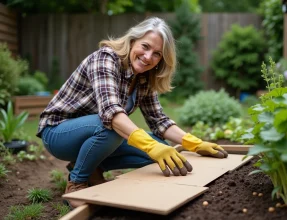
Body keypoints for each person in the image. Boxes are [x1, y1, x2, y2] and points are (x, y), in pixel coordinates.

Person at [37, 17, 228, 209]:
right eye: (145, 46)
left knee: (162, 150)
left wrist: (193, 143)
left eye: (157, 54)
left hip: (96, 132)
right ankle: (77, 182)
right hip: (58, 133)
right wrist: (148, 144)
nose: (148, 57)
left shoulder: (144, 78)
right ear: (132, 41)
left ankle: (92, 166)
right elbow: (111, 112)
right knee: (113, 129)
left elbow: (158, 120)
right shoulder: (105, 59)